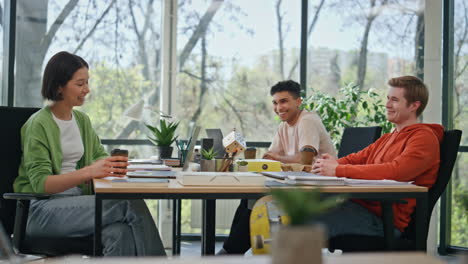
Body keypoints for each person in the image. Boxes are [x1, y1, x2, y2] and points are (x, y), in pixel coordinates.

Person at [13, 51, 166, 256]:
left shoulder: (81, 120)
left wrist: (112, 164)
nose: (87, 89)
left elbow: (97, 155)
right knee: (129, 202)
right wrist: (88, 172)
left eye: (87, 82)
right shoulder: (38, 124)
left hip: (75, 206)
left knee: (119, 233)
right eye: (80, 84)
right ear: (59, 86)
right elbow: (42, 183)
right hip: (43, 210)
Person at [312, 75, 443, 239]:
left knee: (301, 222)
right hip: (361, 209)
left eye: (394, 100)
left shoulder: (424, 138)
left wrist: (337, 170)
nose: (387, 104)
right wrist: (328, 165)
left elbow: (396, 171)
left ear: (414, 105)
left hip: (384, 223)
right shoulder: (388, 137)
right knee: (299, 214)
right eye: (388, 98)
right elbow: (357, 158)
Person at [219, 80, 336, 254]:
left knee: (255, 200)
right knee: (248, 198)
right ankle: (230, 251)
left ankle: (229, 253)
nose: (279, 107)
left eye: (284, 101)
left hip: (316, 189)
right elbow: (269, 156)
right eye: (275, 102)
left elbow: (305, 160)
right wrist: (276, 158)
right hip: (297, 184)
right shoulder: (283, 126)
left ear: (298, 101)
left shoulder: (307, 120)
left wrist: (278, 158)